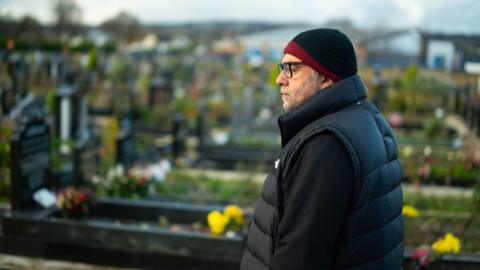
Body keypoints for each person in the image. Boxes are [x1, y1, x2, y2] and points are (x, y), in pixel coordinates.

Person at [240, 28, 404, 270]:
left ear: (326, 77)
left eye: (291, 69)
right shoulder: (367, 118)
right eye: (281, 68)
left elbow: (300, 255)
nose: (279, 79)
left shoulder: (326, 144)